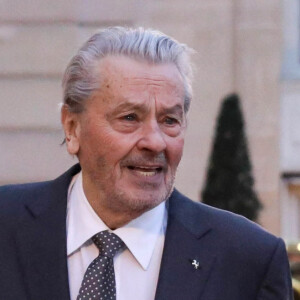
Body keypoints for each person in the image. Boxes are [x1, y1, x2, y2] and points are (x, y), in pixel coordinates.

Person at [0, 27, 293, 300]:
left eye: (169, 120)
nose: (155, 142)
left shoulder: (249, 260)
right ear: (73, 128)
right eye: (129, 118)